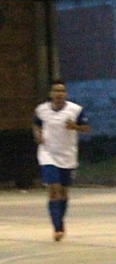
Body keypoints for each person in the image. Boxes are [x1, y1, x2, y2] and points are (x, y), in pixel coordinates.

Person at [32, 79, 90, 241]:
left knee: (64, 191)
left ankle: (60, 220)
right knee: (54, 188)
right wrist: (38, 134)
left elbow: (86, 128)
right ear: (51, 94)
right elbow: (36, 124)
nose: (59, 94)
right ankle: (57, 227)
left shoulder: (75, 110)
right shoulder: (42, 110)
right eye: (56, 91)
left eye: (62, 91)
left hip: (67, 155)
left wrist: (75, 127)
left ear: (66, 94)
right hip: (47, 153)